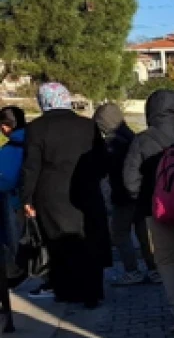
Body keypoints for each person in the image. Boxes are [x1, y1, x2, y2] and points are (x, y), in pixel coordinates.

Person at [123, 89, 174, 332]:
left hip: (157, 210)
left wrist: (143, 199)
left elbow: (130, 179)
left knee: (167, 260)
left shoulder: (142, 139)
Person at [21, 83, 112, 308]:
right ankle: (93, 293)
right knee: (88, 238)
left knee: (59, 243)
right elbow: (102, 160)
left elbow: (31, 167)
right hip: (86, 192)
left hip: (51, 195)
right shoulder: (88, 125)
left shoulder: (36, 128)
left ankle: (67, 291)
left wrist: (26, 199)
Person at [95, 103, 159, 286]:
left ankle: (132, 271)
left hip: (123, 196)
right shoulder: (132, 137)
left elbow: (108, 170)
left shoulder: (112, 143)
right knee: (143, 235)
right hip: (141, 194)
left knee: (120, 234)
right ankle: (154, 270)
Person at [0, 107, 27, 286]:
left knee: (15, 239)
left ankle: (17, 271)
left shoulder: (11, 148)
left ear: (6, 127)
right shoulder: (35, 139)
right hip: (38, 199)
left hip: (14, 201)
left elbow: (6, 180)